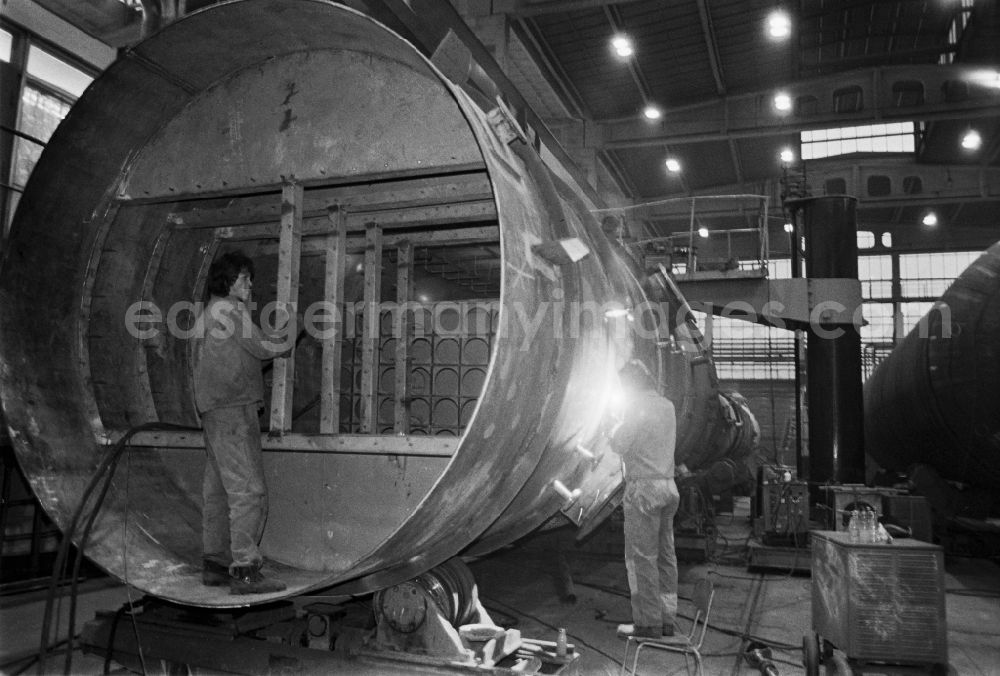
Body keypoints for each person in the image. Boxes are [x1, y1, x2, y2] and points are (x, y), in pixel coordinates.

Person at [193, 250, 292, 595]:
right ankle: (246, 570)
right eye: (244, 278)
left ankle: (215, 563)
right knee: (249, 490)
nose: (249, 284)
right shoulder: (229, 310)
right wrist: (290, 336)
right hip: (233, 410)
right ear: (227, 280)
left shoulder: (210, 312)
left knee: (219, 489)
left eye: (249, 278)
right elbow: (262, 346)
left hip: (215, 411)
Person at [608, 359, 679, 639]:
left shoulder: (636, 407)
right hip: (668, 486)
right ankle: (666, 620)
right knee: (665, 555)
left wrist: (611, 426)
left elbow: (621, 443)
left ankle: (647, 623)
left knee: (641, 559)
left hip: (644, 491)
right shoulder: (667, 405)